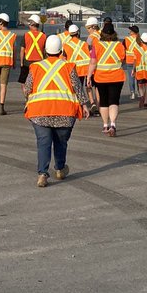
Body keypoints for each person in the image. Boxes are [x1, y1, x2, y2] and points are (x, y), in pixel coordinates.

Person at [23, 34, 90, 188]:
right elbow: (77, 88)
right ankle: (59, 169)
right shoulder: (69, 66)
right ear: (61, 51)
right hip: (65, 112)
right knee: (61, 142)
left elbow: (27, 89)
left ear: (45, 51)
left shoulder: (36, 67)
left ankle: (42, 174)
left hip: (39, 112)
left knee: (43, 142)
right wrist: (85, 105)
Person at [88, 17, 126, 136]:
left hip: (101, 78)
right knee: (114, 101)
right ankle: (113, 124)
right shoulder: (120, 46)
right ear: (114, 34)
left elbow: (93, 63)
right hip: (117, 77)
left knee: (104, 102)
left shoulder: (97, 46)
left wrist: (89, 76)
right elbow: (122, 61)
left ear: (102, 33)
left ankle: (105, 125)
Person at [134, 32, 147, 108]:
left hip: (140, 70)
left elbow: (135, 61)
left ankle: (141, 96)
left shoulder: (137, 50)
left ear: (141, 40)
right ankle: (145, 102)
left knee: (140, 86)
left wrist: (134, 70)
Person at [124, 25, 140, 99]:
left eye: (130, 31)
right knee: (139, 77)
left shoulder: (126, 39)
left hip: (129, 61)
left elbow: (123, 49)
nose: (129, 32)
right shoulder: (140, 39)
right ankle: (140, 92)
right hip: (138, 60)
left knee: (131, 77)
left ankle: (132, 93)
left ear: (132, 32)